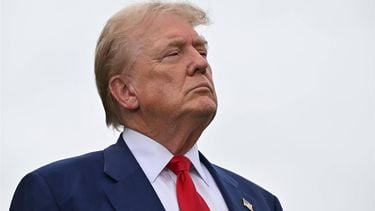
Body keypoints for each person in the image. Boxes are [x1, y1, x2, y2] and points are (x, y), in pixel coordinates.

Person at [10, 2, 283, 211]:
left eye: (201, 51)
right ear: (126, 92)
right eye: (173, 53)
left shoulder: (261, 202)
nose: (201, 63)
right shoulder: (59, 193)